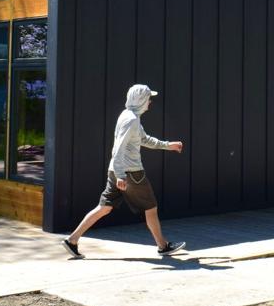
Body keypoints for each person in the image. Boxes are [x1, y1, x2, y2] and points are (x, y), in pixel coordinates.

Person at [61, 84, 185, 258]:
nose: (150, 102)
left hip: (116, 171)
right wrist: (121, 175)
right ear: (140, 100)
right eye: (148, 98)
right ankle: (163, 246)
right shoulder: (131, 120)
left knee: (104, 207)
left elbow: (144, 139)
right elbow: (119, 148)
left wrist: (168, 145)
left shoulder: (128, 116)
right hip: (131, 173)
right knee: (151, 207)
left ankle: (72, 240)